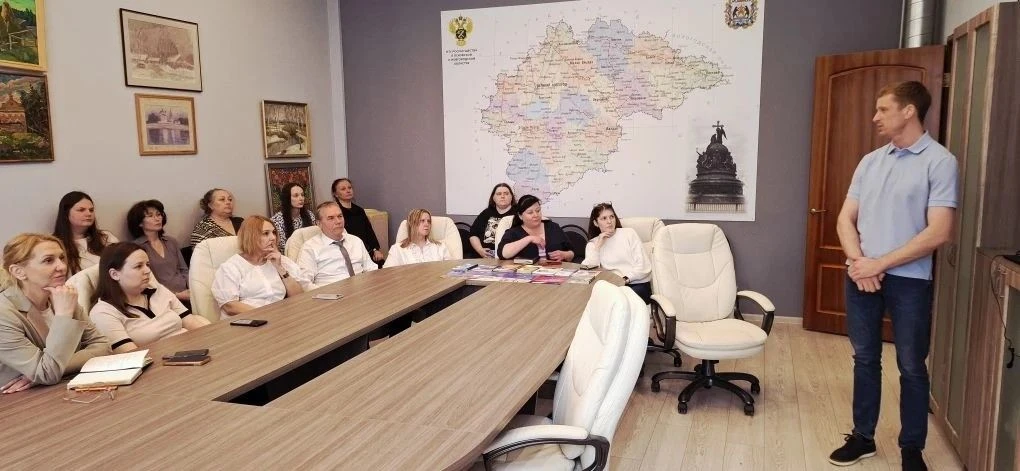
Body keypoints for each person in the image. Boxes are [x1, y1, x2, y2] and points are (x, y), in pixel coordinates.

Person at [829, 81, 957, 471]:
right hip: (861, 275)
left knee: (912, 365)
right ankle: (863, 437)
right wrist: (858, 262)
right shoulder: (870, 161)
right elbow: (845, 219)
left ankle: (911, 448)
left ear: (909, 111)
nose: (875, 117)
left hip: (910, 282)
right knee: (865, 358)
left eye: (883, 109)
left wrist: (878, 264)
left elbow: (939, 232)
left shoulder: (940, 162)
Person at [0, 234, 110, 393]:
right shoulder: (4, 313)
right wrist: (64, 315)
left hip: (60, 389)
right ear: (19, 272)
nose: (62, 266)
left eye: (62, 258)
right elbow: (47, 373)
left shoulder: (62, 296)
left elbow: (103, 346)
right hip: (17, 401)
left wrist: (53, 367)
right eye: (48, 260)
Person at [89, 242, 210, 353]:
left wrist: (213, 339)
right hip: (162, 363)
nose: (147, 271)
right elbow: (132, 356)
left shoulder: (157, 289)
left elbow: (190, 322)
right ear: (115, 274)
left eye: (147, 265)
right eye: (138, 266)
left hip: (194, 350)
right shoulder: (103, 313)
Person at [211, 216, 304, 319]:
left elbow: (298, 296)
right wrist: (267, 315)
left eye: (273, 232)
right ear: (251, 237)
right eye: (266, 233)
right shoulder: (231, 267)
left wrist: (280, 268)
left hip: (280, 318)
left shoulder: (280, 260)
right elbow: (230, 306)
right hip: (247, 321)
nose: (273, 237)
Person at [297, 202, 377, 290]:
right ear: (319, 223)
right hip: (331, 294)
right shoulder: (310, 248)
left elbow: (371, 269)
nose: (338, 221)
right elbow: (304, 283)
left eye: (340, 216)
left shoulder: (355, 241)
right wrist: (325, 296)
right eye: (331, 218)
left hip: (362, 290)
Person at [581, 203, 651, 303]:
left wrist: (625, 279)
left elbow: (643, 265)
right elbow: (587, 272)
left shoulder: (629, 233)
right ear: (596, 223)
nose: (609, 221)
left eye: (612, 217)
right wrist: (598, 246)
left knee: (616, 300)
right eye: (604, 218)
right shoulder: (593, 244)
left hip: (637, 285)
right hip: (612, 288)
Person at [127, 200, 190, 303]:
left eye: (159, 214)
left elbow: (184, 270)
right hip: (161, 300)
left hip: (187, 293)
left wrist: (192, 289)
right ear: (140, 223)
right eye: (150, 216)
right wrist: (176, 296)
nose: (157, 218)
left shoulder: (171, 241)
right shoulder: (136, 248)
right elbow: (146, 283)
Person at [53, 191, 119, 275]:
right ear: (66, 213)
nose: (89, 214)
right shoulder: (54, 244)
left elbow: (122, 264)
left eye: (91, 210)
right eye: (81, 210)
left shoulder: (106, 237)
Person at [497, 194, 574, 262]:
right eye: (530, 212)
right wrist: (529, 239)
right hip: (525, 272)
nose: (536, 215)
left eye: (538, 211)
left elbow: (572, 252)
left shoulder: (553, 227)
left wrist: (565, 255)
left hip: (555, 271)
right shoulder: (514, 232)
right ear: (520, 216)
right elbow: (503, 254)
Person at [332, 178, 385, 265]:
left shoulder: (359, 210)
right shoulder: (335, 212)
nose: (348, 191)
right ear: (336, 194)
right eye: (343, 189)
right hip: (347, 251)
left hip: (366, 250)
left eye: (349, 188)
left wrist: (375, 250)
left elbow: (369, 231)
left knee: (381, 264)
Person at [384, 209, 452, 268]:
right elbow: (387, 273)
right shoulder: (397, 249)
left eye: (428, 221)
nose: (427, 224)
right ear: (412, 224)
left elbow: (450, 270)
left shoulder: (440, 247)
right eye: (422, 221)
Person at [469, 183, 517, 258]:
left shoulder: (519, 214)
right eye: (498, 194)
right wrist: (480, 250)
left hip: (510, 257)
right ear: (493, 198)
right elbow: (473, 234)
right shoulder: (486, 213)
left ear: (511, 197)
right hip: (485, 258)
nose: (502, 196)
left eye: (506, 193)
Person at [270, 183, 317, 252]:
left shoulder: (309, 215)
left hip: (309, 252)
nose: (301, 198)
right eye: (296, 196)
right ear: (287, 198)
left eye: (302, 195)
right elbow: (281, 247)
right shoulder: (276, 221)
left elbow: (314, 238)